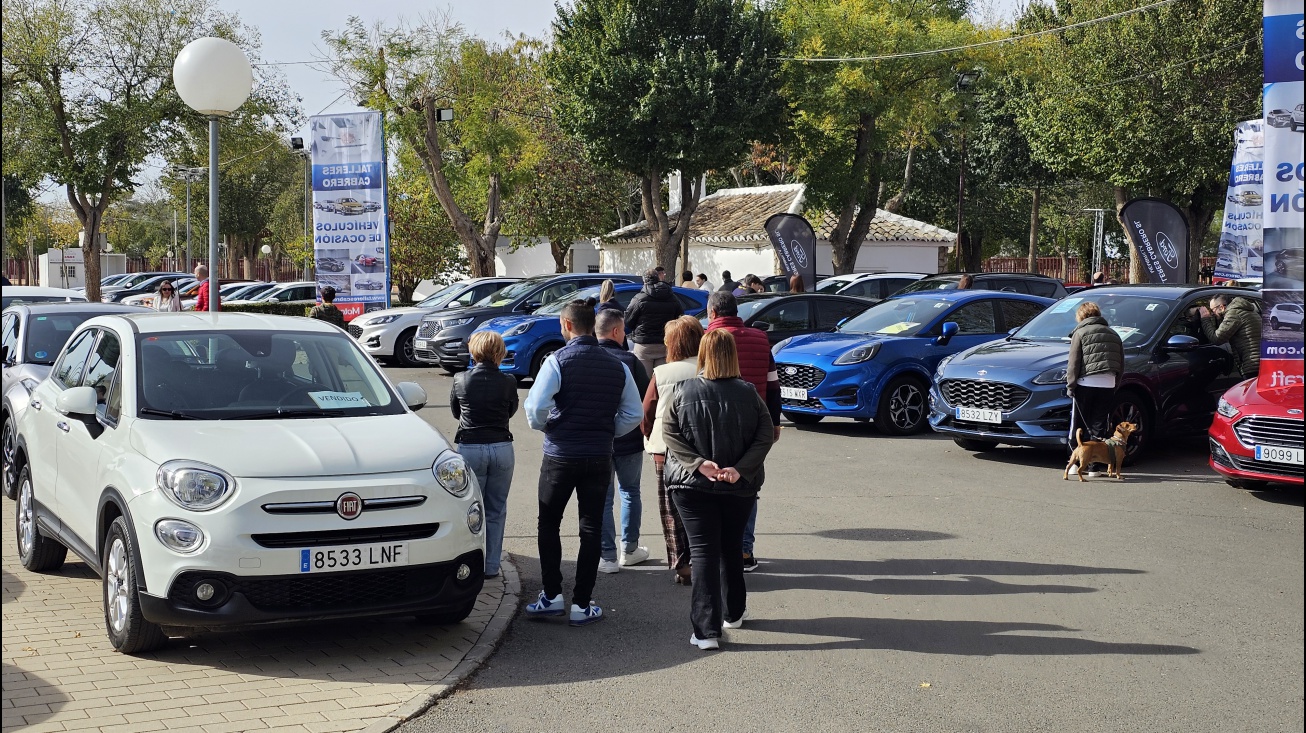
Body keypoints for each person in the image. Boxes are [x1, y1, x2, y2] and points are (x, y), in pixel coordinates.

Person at [524, 301, 643, 627]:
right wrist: (607, 431)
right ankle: (581, 603)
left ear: (566, 324)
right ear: (592, 325)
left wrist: (551, 426)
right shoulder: (618, 366)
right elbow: (634, 413)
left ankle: (551, 596)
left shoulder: (557, 361)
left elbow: (535, 410)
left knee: (549, 523)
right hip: (598, 455)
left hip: (560, 455)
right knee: (590, 528)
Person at [663, 329, 775, 650]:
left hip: (692, 485)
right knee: (731, 547)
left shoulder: (684, 391)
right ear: (733, 356)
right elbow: (765, 435)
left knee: (703, 553)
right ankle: (734, 612)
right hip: (739, 486)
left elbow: (669, 432)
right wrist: (740, 470)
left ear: (702, 355)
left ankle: (705, 631)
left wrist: (697, 464)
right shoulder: (749, 393)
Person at [704, 291, 781, 573]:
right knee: (747, 486)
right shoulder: (761, 339)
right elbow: (773, 386)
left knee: (712, 484)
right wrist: (774, 423)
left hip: (713, 420)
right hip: (753, 423)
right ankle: (744, 550)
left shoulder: (707, 339)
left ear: (712, 312)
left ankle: (714, 549)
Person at [450, 332, 518, 578]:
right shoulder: (509, 381)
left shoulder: (461, 379)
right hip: (501, 446)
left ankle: (470, 566)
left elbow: (456, 412)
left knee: (470, 508)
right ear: (499, 352)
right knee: (496, 509)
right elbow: (510, 410)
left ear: (474, 351)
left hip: (470, 447)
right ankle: (491, 566)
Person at [642, 315, 704, 585]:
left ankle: (682, 565)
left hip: (664, 450)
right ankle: (704, 559)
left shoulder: (663, 373)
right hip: (704, 449)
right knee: (702, 509)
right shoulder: (709, 368)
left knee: (671, 510)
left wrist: (648, 435)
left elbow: (646, 413)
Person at [595, 309, 652, 573]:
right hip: (629, 438)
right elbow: (644, 398)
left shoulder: (587, 357)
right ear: (616, 332)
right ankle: (628, 549)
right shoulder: (630, 361)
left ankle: (606, 555)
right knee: (630, 492)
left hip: (598, 439)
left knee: (603, 497)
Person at [1066, 301, 1124, 476]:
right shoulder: (1114, 334)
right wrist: (1115, 384)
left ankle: (1075, 463)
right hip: (1107, 383)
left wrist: (1071, 385)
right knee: (1099, 425)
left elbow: (1074, 362)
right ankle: (1094, 467)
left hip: (1085, 382)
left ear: (1081, 316)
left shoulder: (1080, 332)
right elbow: (1121, 364)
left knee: (1079, 424)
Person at [625, 268, 684, 376]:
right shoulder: (672, 297)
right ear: (658, 278)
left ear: (644, 281)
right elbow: (680, 318)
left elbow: (628, 321)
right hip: (665, 343)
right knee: (663, 382)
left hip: (644, 344)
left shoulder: (639, 298)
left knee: (644, 383)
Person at [1199, 293, 1260, 379]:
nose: (1212, 314)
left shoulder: (1234, 314)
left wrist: (1205, 319)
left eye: (1213, 310)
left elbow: (1216, 338)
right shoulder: (1244, 310)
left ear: (1221, 307)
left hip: (1252, 364)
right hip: (1258, 362)